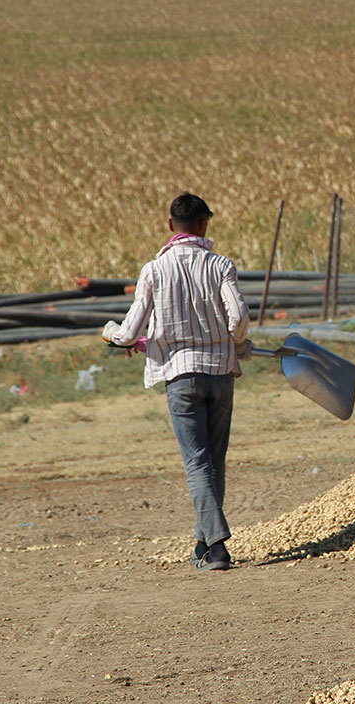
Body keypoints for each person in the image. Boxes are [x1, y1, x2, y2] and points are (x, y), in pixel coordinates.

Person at [103, 193, 252, 571]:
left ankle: (216, 547)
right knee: (214, 462)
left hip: (180, 377)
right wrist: (238, 344)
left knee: (197, 464)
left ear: (171, 225)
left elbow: (130, 332)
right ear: (204, 224)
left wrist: (112, 333)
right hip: (220, 373)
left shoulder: (154, 271)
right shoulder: (220, 265)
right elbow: (238, 316)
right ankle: (203, 543)